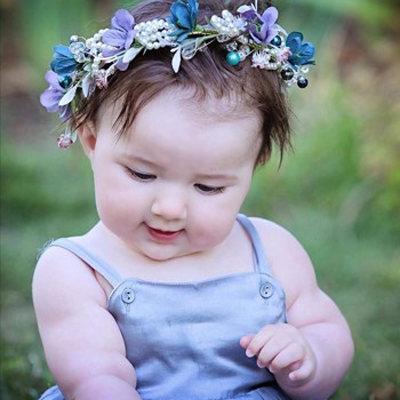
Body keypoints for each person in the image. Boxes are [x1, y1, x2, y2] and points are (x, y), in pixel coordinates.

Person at [33, 0, 354, 399]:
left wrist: (310, 357)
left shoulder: (272, 250)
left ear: (255, 164)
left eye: (208, 187)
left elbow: (326, 331)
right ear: (93, 141)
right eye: (142, 174)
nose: (169, 208)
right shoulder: (75, 272)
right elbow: (94, 377)